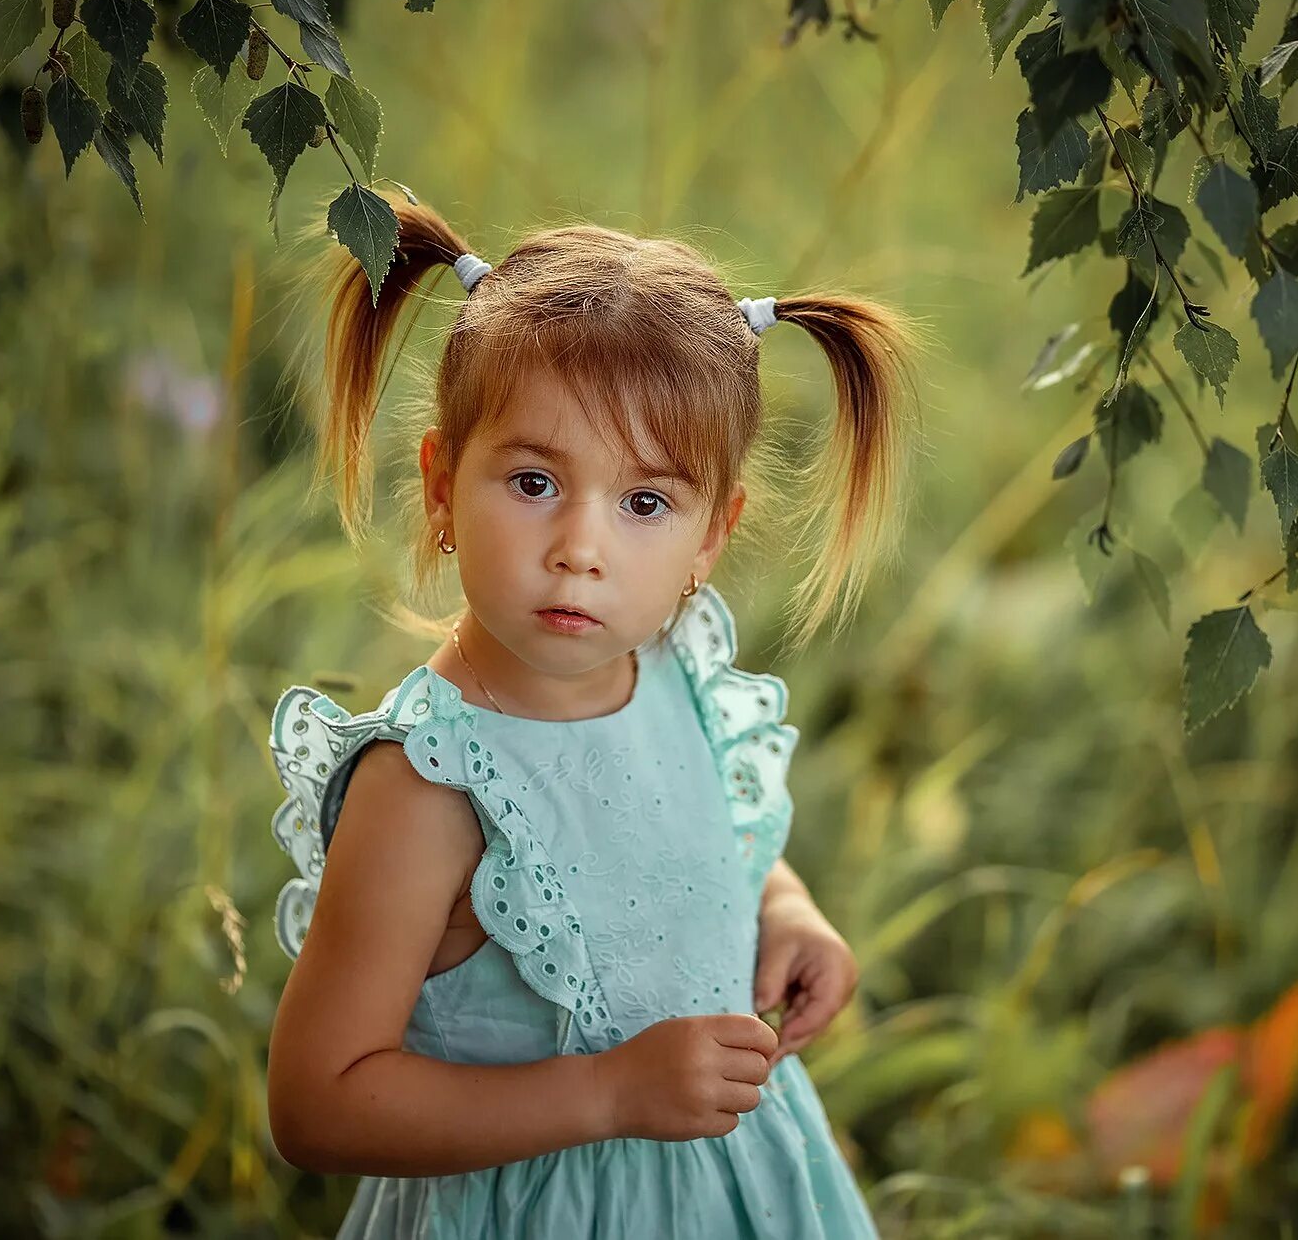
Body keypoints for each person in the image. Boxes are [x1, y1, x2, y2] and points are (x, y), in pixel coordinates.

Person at [263, 193, 923, 1238]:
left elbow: (680, 840)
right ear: (439, 485)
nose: (581, 545)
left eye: (645, 503)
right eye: (533, 481)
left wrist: (781, 910)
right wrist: (608, 1094)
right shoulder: (428, 786)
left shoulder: (671, 672)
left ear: (712, 536)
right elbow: (317, 1100)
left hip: (727, 1197)